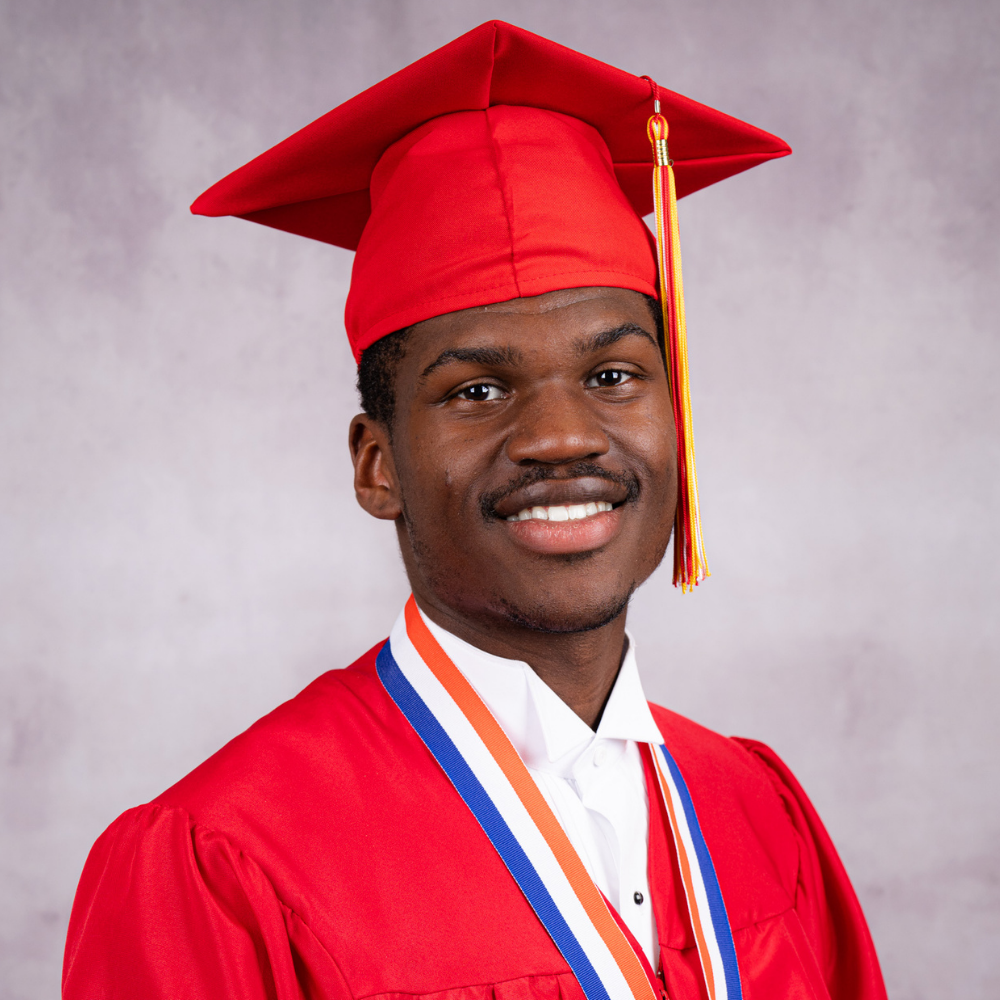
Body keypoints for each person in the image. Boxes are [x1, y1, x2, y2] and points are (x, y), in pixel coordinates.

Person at [62, 21, 887, 1000]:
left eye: (613, 373)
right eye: (477, 391)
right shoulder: (225, 860)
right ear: (378, 468)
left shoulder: (756, 810)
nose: (562, 434)